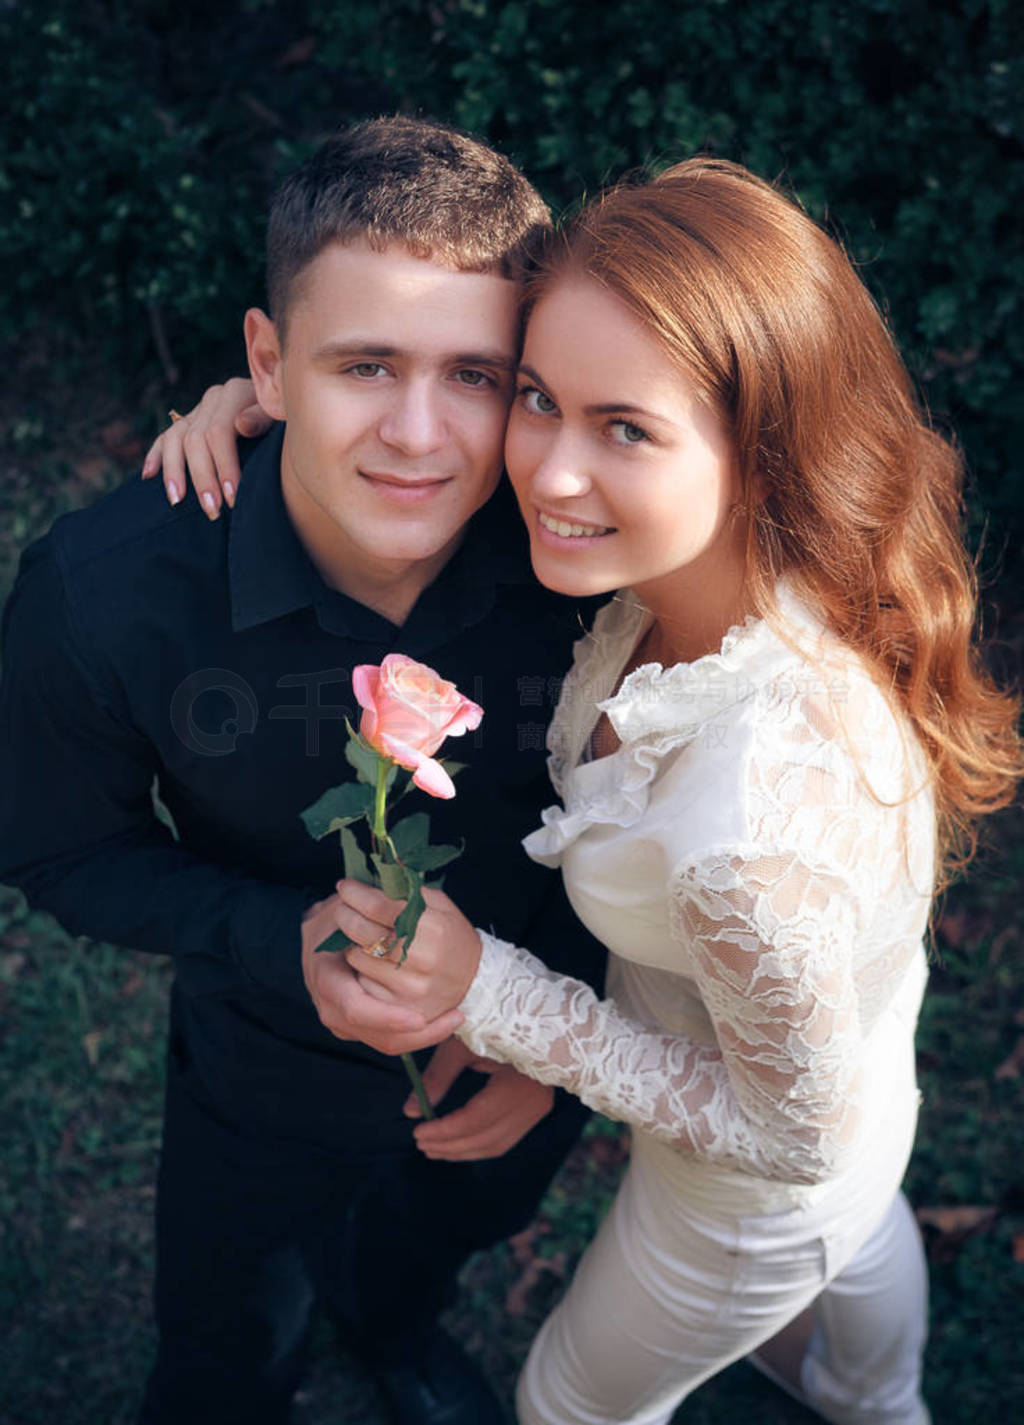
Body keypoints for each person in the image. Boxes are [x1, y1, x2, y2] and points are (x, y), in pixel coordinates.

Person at [317, 159, 1022, 1424]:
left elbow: (790, 1138)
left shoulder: (745, 829)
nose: (549, 471)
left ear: (762, 454)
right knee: (862, 1259)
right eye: (539, 398)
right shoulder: (727, 584)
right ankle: (880, 1397)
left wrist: (493, 995)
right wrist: (248, 406)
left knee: (565, 1406)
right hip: (870, 1091)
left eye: (624, 428)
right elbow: (393, 358)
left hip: (739, 1208)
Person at [0, 117, 608, 1425]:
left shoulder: (596, 566)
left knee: (431, 1247)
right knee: (223, 1342)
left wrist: (560, 1035)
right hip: (256, 1061)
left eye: (474, 374)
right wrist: (281, 938)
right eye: (365, 365)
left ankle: (390, 1327)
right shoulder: (101, 597)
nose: (418, 433)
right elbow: (60, 850)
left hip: (520, 1058)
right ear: (266, 364)